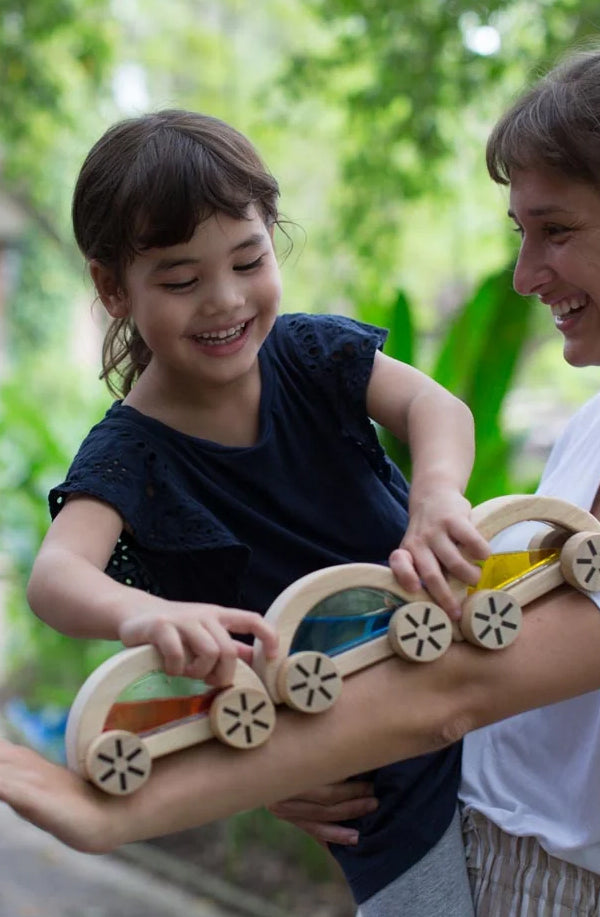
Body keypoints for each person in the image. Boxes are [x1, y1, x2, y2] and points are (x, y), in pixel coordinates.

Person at [3, 42, 600, 917]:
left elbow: (456, 691)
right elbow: (477, 679)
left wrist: (115, 811)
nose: (523, 276)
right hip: (438, 837)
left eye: (557, 231)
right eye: (523, 234)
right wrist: (296, 747)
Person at [22, 109, 491, 917]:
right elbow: (56, 576)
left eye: (248, 259)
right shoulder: (130, 457)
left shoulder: (311, 354)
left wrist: (438, 493)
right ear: (112, 289)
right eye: (181, 279)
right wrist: (144, 616)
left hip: (475, 671)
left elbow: (436, 407)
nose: (226, 299)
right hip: (365, 779)